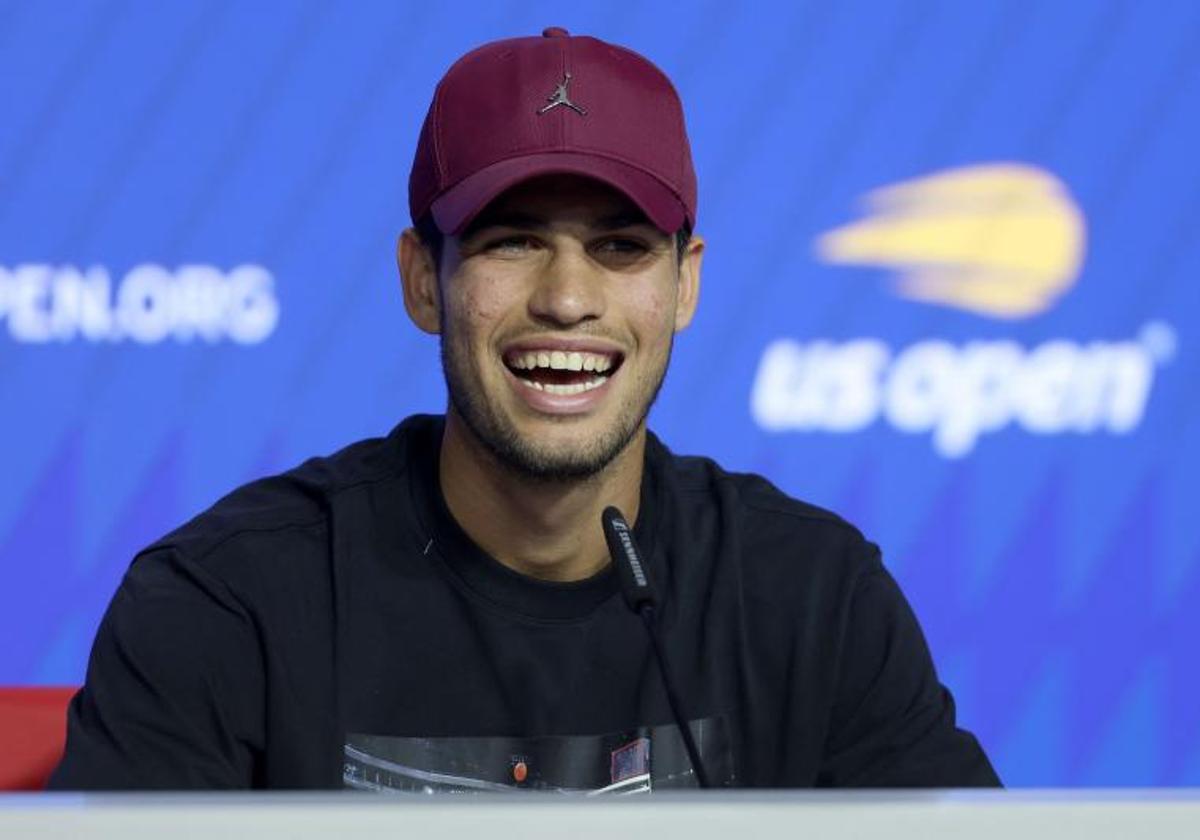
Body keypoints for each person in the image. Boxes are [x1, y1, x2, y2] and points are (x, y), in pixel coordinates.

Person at [49, 27, 1000, 791]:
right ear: (424, 280)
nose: (567, 297)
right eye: (512, 241)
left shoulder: (813, 597)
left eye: (622, 247)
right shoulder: (228, 602)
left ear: (685, 286)